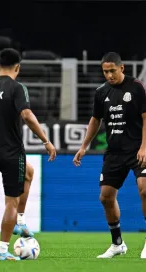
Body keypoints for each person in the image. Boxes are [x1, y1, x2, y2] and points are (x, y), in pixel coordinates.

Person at [0, 48, 56, 261]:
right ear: (18, 67)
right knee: (11, 201)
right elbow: (27, 115)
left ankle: (19, 220)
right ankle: (2, 250)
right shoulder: (17, 87)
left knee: (28, 173)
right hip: (12, 151)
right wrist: (46, 141)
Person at [73, 52, 146, 259]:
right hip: (114, 153)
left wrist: (144, 147)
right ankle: (117, 244)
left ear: (122, 68)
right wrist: (84, 146)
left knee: (145, 189)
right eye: (105, 72)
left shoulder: (137, 87)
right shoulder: (101, 93)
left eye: (112, 71)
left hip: (137, 149)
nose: (109, 75)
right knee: (105, 197)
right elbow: (95, 120)